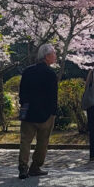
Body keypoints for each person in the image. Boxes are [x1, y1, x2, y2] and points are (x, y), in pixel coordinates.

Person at [17, 44, 59, 179]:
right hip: (45, 113)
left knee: (25, 141)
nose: (55, 56)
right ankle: (35, 167)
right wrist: (53, 111)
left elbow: (22, 92)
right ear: (47, 56)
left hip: (28, 111)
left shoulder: (27, 72)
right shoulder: (51, 74)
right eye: (53, 54)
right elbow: (53, 96)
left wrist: (24, 104)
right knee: (42, 142)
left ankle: (23, 167)